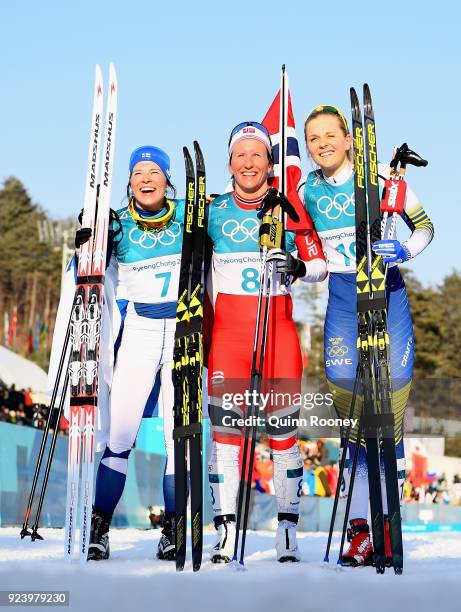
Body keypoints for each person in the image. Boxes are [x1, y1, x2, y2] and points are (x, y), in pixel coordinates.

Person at [301, 105, 434, 566]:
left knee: (389, 416)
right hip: (342, 298)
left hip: (387, 293)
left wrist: (403, 250)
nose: (322, 144)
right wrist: (303, 267)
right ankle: (359, 529)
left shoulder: (380, 176)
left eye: (329, 135)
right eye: (313, 137)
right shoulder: (306, 191)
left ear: (349, 138)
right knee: (353, 420)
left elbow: (426, 226)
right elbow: (314, 258)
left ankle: (387, 525)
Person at [206, 121, 327, 563]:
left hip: (277, 331)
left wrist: (295, 266)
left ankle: (287, 532)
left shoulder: (289, 210)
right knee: (226, 437)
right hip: (228, 335)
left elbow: (319, 266)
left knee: (283, 435)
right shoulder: (213, 211)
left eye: (258, 154)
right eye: (241, 154)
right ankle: (225, 530)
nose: (250, 162)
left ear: (270, 162)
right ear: (231, 163)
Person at [84, 145, 185, 561]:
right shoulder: (120, 225)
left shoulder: (188, 215)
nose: (146, 178)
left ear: (166, 178)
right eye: (138, 171)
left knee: (178, 438)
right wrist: (90, 239)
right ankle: (99, 526)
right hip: (140, 332)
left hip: (183, 334)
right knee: (120, 436)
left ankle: (174, 529)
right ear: (129, 180)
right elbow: (91, 272)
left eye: (154, 171)